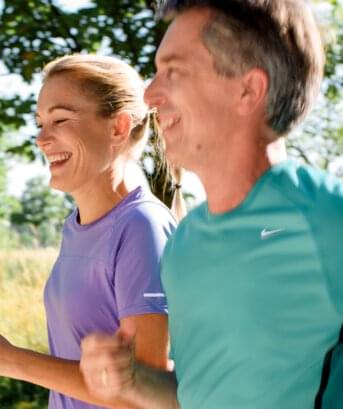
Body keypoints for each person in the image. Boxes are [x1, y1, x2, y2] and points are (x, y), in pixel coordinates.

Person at [79, 1, 343, 409]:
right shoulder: (186, 242)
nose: (149, 94)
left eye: (174, 71)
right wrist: (132, 381)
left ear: (248, 90)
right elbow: (195, 394)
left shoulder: (328, 221)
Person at [0, 54, 176, 409]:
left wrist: (11, 360)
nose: (42, 139)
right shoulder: (75, 225)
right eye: (40, 124)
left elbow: (145, 397)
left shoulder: (142, 227)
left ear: (118, 127)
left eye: (60, 120)